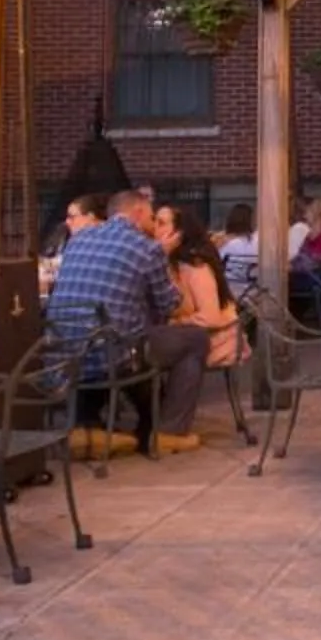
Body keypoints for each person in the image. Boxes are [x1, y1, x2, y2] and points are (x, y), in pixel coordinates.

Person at [44, 189, 209, 453]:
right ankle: (169, 431)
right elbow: (169, 304)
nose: (154, 225)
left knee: (119, 333)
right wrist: (164, 255)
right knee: (195, 339)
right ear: (139, 212)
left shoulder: (79, 238)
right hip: (112, 354)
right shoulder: (147, 248)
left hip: (63, 354)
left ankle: (89, 427)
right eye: (153, 218)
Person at [156, 205, 244, 375]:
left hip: (217, 338)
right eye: (154, 221)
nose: (154, 228)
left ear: (178, 234)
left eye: (161, 223)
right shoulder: (164, 263)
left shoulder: (196, 268)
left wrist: (175, 323)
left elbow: (209, 317)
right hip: (184, 334)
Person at [218, 203, 261, 303]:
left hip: (230, 294)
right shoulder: (259, 242)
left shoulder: (227, 244)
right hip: (255, 294)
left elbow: (215, 266)